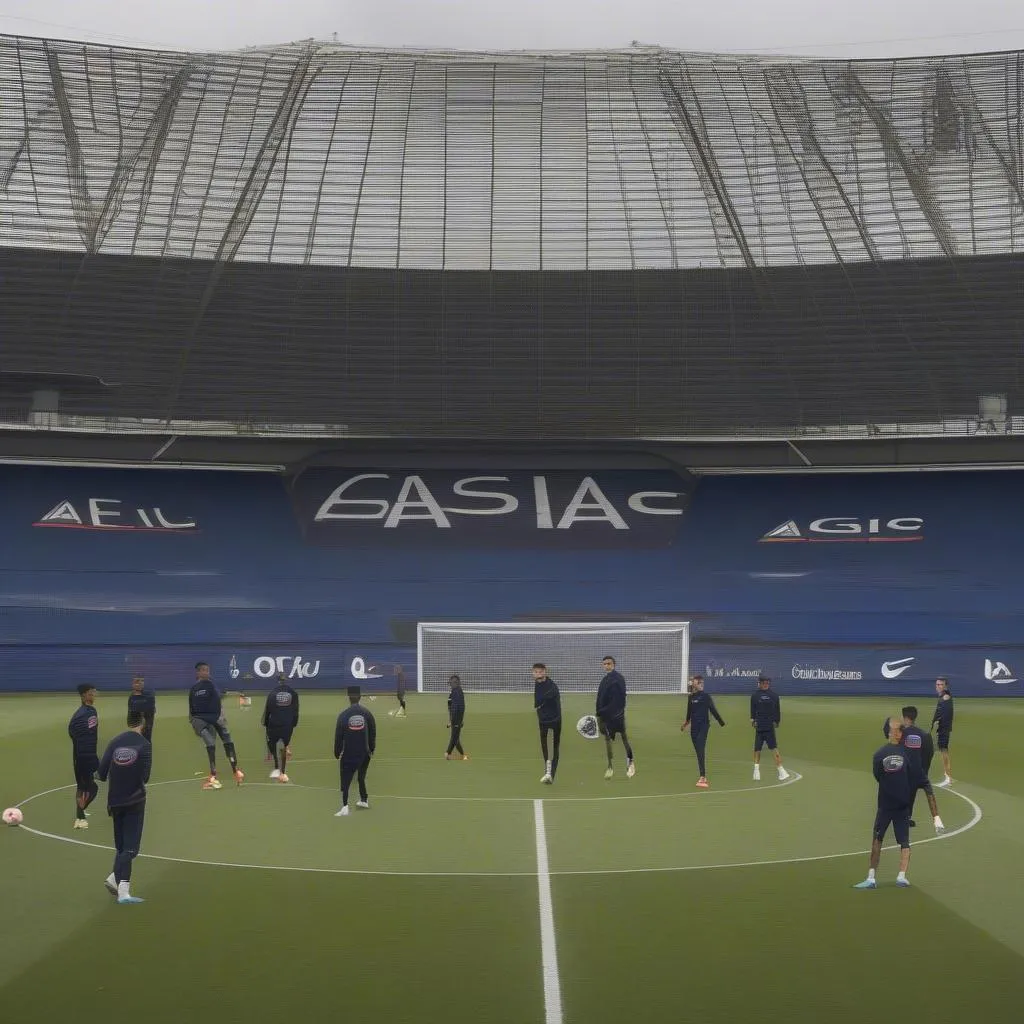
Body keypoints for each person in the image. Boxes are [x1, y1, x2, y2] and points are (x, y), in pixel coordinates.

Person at [854, 717, 946, 889]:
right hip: (889, 805)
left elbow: (882, 776)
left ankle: (900, 876)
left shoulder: (892, 754)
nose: (901, 732)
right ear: (891, 732)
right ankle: (873, 878)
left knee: (899, 841)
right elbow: (880, 776)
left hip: (896, 806)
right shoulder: (883, 754)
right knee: (879, 839)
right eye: (898, 729)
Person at [97, 710, 152, 905]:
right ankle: (124, 892)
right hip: (135, 801)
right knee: (130, 850)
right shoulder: (144, 745)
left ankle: (113, 879)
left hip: (114, 801)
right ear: (143, 723)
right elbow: (145, 777)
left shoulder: (114, 742)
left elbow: (101, 773)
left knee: (121, 847)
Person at [188, 661, 244, 790]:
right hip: (204, 720)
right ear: (198, 673)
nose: (206, 672)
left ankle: (235, 770)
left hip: (218, 718)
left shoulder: (211, 685)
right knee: (210, 743)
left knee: (227, 740)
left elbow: (218, 698)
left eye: (207, 670)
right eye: (204, 670)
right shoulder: (195, 689)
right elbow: (192, 706)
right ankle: (213, 774)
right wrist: (192, 720)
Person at [884, 706, 935, 827]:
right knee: (910, 795)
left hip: (900, 770)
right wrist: (924, 770)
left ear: (904, 717)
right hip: (915, 771)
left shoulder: (899, 734)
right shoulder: (923, 734)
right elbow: (929, 752)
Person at [334, 686, 376, 816]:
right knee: (361, 777)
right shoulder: (367, 713)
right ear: (360, 697)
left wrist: (337, 751)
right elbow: (373, 731)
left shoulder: (343, 715)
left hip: (349, 753)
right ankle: (364, 800)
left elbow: (338, 735)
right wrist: (371, 748)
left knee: (346, 779)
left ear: (349, 697)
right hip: (364, 753)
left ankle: (345, 806)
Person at [682, 674, 725, 788]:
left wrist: (721, 722)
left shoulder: (706, 697)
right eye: (697, 683)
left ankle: (703, 777)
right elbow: (689, 712)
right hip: (694, 728)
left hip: (704, 727)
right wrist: (686, 723)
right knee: (698, 752)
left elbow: (713, 710)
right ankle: (702, 775)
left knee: (700, 749)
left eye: (700, 683)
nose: (699, 684)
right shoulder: (691, 697)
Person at [596, 656, 635, 779]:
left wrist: (605, 711)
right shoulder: (605, 679)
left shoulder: (618, 679)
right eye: (605, 664)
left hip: (616, 716)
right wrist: (599, 712)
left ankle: (630, 763)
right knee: (608, 739)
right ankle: (610, 766)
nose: (607, 666)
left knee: (623, 738)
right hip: (605, 716)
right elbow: (601, 697)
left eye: (609, 663)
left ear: (614, 664)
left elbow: (619, 699)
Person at [68, 684, 100, 830]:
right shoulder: (90, 713)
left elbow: (71, 732)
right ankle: (80, 814)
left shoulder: (77, 714)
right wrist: (91, 756)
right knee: (92, 788)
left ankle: (80, 817)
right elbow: (90, 736)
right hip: (87, 755)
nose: (93, 695)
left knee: (81, 787)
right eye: (90, 693)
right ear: (83, 696)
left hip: (78, 756)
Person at [750, 675, 789, 782]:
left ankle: (756, 772)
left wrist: (753, 720)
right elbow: (777, 711)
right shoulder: (774, 696)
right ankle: (781, 771)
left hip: (760, 726)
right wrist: (777, 722)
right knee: (773, 748)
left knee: (757, 748)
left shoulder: (755, 696)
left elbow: (753, 711)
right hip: (769, 726)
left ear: (762, 683)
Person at [262, 673, 300, 782]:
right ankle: (282, 772)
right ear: (286, 681)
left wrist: (265, 723)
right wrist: (294, 723)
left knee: (273, 745)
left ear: (278, 681)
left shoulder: (272, 694)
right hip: (287, 724)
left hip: (274, 723)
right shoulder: (293, 693)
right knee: (284, 745)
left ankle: (276, 768)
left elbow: (268, 711)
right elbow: (296, 711)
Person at [533, 663, 562, 784]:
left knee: (555, 747)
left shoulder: (552, 686)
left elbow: (540, 701)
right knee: (544, 745)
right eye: (535, 672)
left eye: (540, 672)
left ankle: (551, 774)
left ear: (545, 672)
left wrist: (539, 705)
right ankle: (547, 773)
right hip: (543, 720)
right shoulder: (537, 684)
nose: (538, 674)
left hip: (555, 720)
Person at [931, 677, 954, 787]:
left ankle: (948, 778)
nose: (938, 686)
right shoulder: (943, 696)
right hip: (942, 729)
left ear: (945, 686)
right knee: (941, 751)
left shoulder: (945, 697)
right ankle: (947, 776)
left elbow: (945, 715)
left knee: (944, 752)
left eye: (941, 684)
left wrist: (938, 727)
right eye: (937, 684)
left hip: (943, 729)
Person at [446, 674, 468, 760]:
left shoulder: (456, 692)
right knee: (455, 738)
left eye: (451, 682)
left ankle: (450, 753)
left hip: (456, 719)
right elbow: (457, 707)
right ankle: (450, 754)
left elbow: (458, 707)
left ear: (455, 683)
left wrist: (453, 720)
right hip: (456, 718)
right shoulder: (456, 691)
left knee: (455, 738)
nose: (450, 684)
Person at [127, 675, 156, 742]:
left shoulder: (149, 695)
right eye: (137, 682)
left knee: (145, 739)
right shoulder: (132, 697)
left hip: (145, 724)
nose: (139, 683)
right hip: (135, 723)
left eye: (142, 681)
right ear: (133, 684)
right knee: (137, 740)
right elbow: (130, 711)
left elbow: (150, 711)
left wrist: (143, 725)